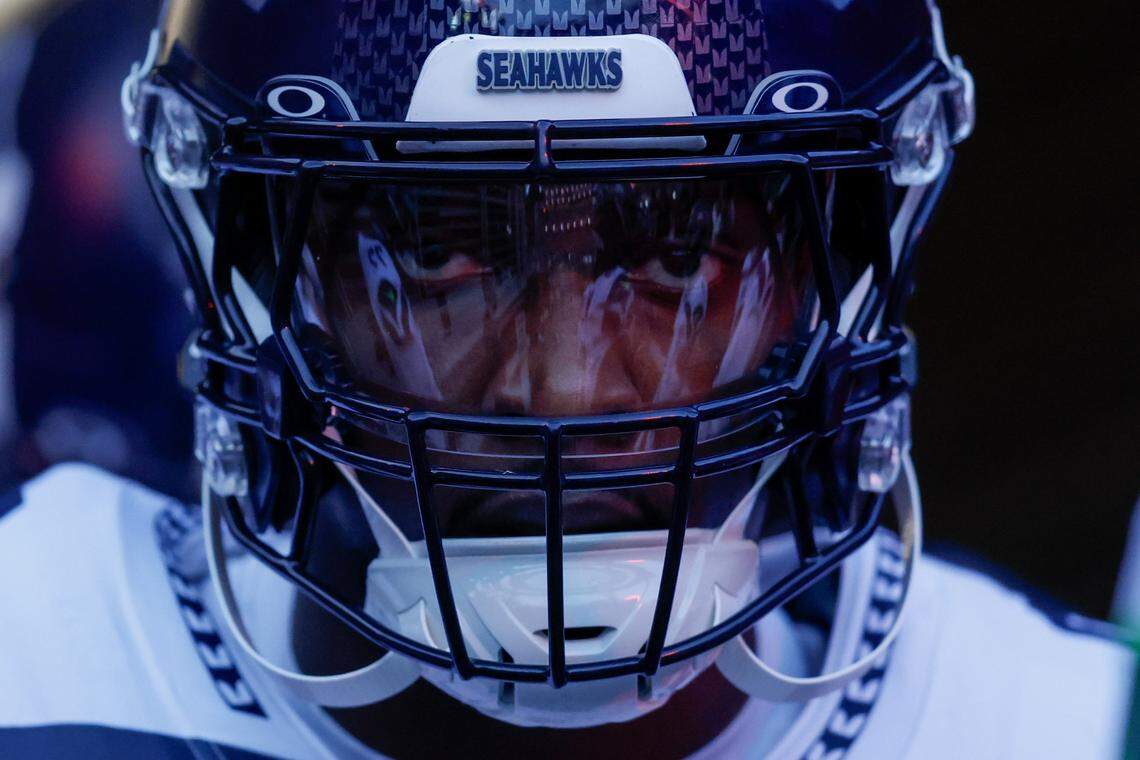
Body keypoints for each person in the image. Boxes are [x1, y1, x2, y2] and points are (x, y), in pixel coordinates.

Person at [0, 0, 1134, 757]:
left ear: (830, 283)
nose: (565, 387)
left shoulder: (1059, 724)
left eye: (679, 255)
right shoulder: (34, 652)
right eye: (438, 252)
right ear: (258, 271)